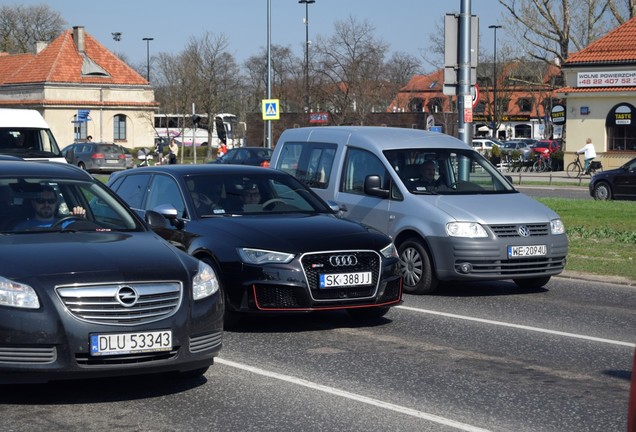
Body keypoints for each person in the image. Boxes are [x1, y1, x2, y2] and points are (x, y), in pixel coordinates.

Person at [14, 186, 86, 230]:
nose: (46, 204)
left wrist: (82, 220)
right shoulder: (22, 228)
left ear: (56, 203)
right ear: (33, 203)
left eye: (51, 201)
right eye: (41, 201)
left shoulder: (70, 224)